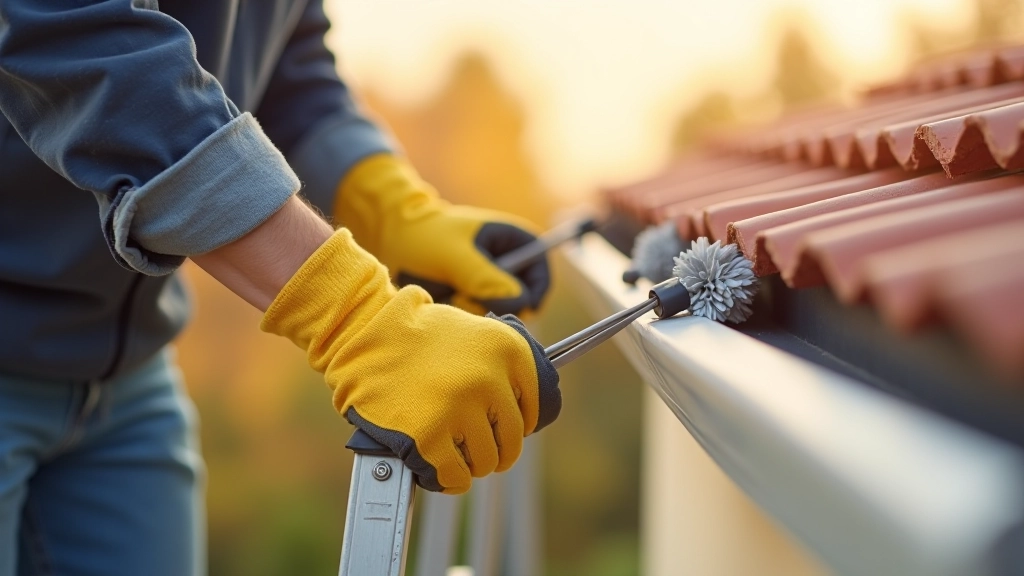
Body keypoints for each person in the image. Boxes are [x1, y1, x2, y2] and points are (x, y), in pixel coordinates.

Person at [0, 1, 561, 574]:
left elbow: (282, 65)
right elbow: (93, 50)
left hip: (127, 377)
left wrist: (391, 207)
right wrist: (356, 317)